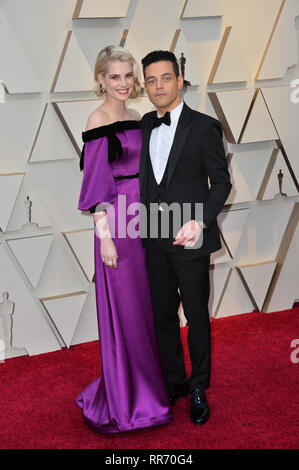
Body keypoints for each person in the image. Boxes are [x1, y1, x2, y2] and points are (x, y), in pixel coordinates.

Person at [76, 45, 173, 433]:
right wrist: (105, 240)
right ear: (100, 79)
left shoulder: (137, 116)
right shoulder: (97, 119)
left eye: (128, 75)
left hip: (144, 219)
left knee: (147, 309)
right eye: (114, 76)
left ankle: (149, 389)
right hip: (117, 224)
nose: (123, 83)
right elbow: (96, 188)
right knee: (126, 311)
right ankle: (127, 400)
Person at [139, 50, 232, 425]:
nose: (158, 86)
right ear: (145, 86)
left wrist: (200, 222)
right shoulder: (143, 124)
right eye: (151, 80)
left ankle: (198, 387)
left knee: (196, 317)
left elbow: (222, 184)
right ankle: (173, 380)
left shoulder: (205, 126)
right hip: (153, 238)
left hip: (191, 238)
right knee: (162, 316)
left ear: (180, 80)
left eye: (165, 78)